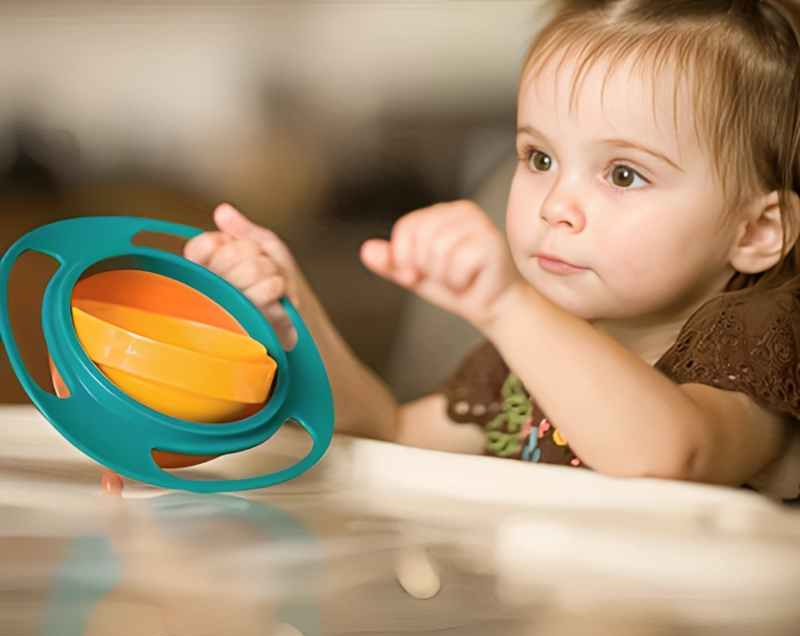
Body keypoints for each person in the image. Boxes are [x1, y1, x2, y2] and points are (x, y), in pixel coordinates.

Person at [184, 0, 800, 498]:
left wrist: (508, 305)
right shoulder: (533, 351)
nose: (554, 204)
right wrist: (294, 313)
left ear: (757, 231)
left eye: (622, 175)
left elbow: (670, 455)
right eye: (539, 158)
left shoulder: (762, 337)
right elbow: (389, 431)